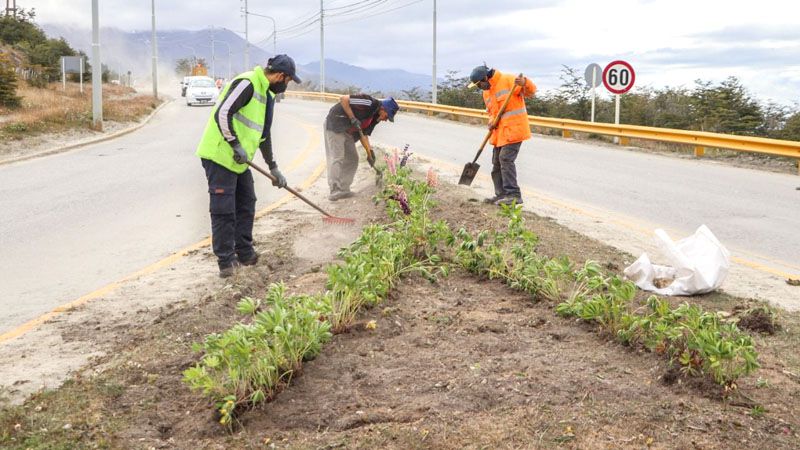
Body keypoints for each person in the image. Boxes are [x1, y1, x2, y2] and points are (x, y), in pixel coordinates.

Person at [196, 55, 301, 278]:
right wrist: (234, 143)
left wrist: (273, 167)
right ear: (281, 76)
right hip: (219, 154)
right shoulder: (248, 83)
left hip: (239, 161)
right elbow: (223, 113)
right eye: (288, 81)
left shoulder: (267, 96)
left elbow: (264, 135)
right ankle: (226, 262)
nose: (286, 86)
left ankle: (244, 252)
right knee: (224, 209)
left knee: (247, 202)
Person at [468, 64, 536, 205]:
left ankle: (514, 195)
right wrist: (491, 121)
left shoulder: (508, 80)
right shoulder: (486, 92)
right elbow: (492, 112)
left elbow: (531, 91)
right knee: (496, 163)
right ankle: (501, 195)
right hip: (499, 133)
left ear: (485, 77)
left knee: (505, 159)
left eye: (479, 84)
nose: (479, 87)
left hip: (514, 130)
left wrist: (525, 83)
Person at [323, 94, 399, 201]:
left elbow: (364, 135)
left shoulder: (375, 119)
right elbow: (343, 99)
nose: (385, 119)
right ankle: (334, 189)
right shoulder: (369, 102)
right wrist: (352, 118)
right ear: (383, 108)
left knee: (353, 159)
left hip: (348, 131)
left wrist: (370, 153)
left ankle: (344, 188)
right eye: (387, 116)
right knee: (338, 157)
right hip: (335, 124)